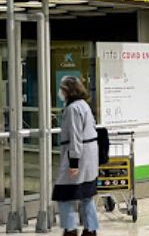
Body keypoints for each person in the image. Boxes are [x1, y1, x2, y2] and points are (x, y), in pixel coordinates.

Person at [52, 76, 100, 236]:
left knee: (64, 194)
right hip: (90, 154)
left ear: (68, 90)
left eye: (62, 89)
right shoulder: (84, 105)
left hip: (79, 155)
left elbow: (75, 135)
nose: (60, 92)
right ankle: (91, 229)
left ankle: (70, 229)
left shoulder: (73, 109)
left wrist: (73, 162)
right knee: (86, 194)